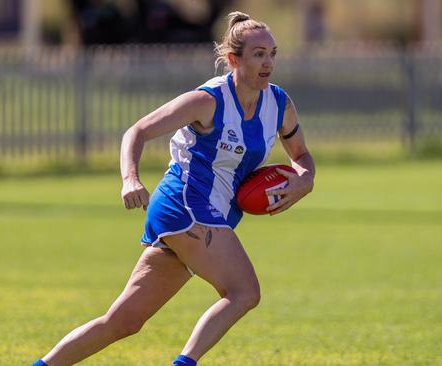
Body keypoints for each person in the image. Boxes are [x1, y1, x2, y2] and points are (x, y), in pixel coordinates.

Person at [32, 11, 315, 366]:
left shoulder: (278, 104)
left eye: (273, 52)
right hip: (184, 203)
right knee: (244, 292)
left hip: (207, 212)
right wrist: (130, 179)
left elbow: (301, 155)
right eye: (258, 54)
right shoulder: (207, 101)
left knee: (123, 322)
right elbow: (137, 131)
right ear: (233, 59)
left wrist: (304, 181)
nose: (268, 62)